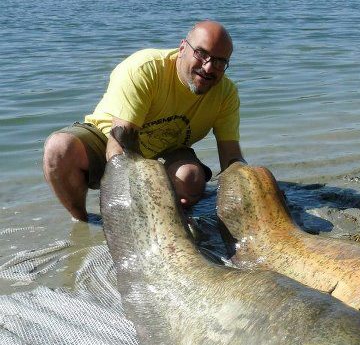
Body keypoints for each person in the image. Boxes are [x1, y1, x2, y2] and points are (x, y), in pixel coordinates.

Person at [43, 20, 246, 222]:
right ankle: (83, 221)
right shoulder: (145, 69)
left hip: (169, 147)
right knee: (59, 148)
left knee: (191, 179)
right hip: (111, 138)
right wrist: (138, 196)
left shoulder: (226, 94)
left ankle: (170, 222)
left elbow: (231, 159)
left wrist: (251, 187)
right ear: (182, 47)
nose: (209, 67)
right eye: (201, 54)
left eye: (220, 62)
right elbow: (119, 148)